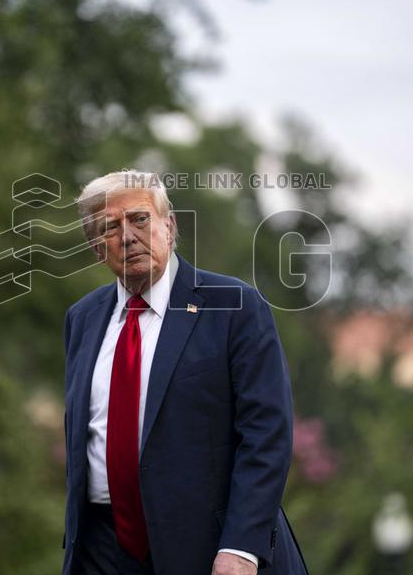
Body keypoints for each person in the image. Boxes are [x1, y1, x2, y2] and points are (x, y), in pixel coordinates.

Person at [62, 169, 308, 575]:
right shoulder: (82, 318)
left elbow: (266, 434)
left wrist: (241, 547)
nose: (127, 236)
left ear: (169, 225)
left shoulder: (234, 306)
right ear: (95, 247)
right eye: (109, 227)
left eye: (140, 219)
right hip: (102, 549)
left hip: (209, 549)